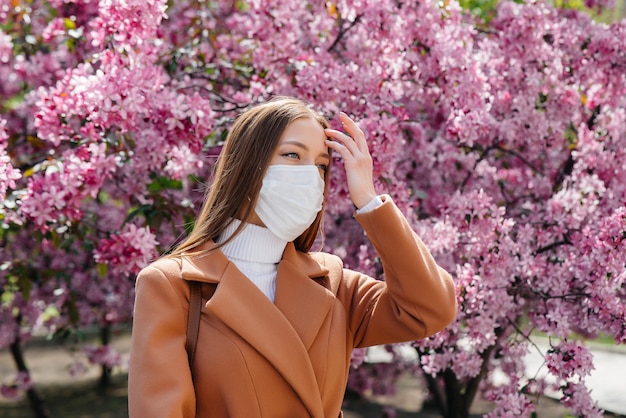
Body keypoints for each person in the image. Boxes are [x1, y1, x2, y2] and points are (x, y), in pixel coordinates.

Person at [128, 96, 457, 418]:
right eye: (292, 155)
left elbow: (430, 309)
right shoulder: (175, 286)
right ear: (246, 165)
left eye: (321, 165)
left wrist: (370, 203)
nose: (310, 176)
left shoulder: (331, 281)